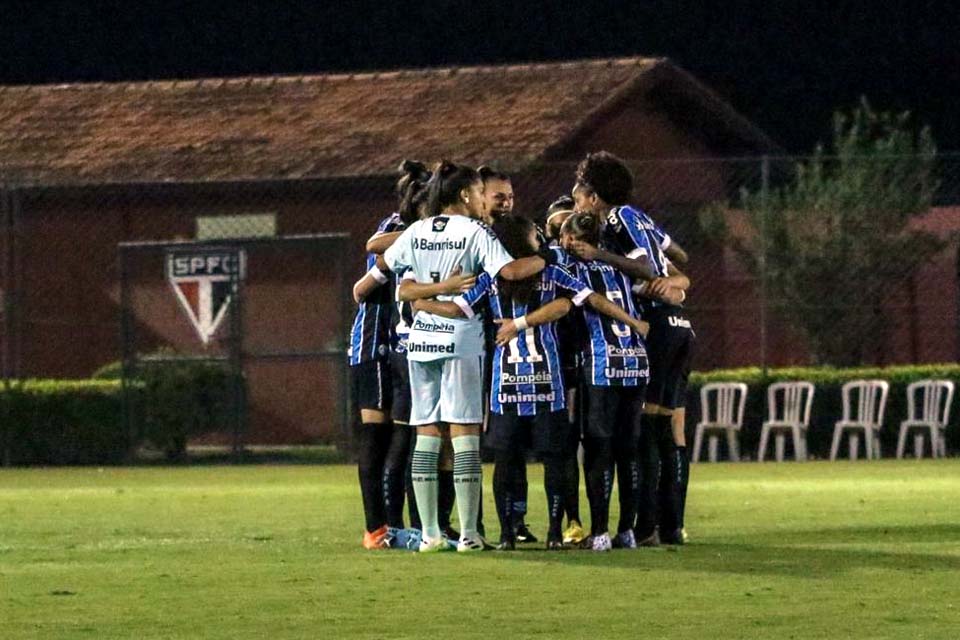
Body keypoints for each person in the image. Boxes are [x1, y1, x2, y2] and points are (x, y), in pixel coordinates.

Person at [414, 215, 647, 549]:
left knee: (508, 460)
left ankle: (508, 536)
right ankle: (553, 532)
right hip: (546, 385)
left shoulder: (490, 278)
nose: (540, 241)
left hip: (506, 386)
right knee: (553, 459)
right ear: (524, 241)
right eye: (533, 237)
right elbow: (583, 300)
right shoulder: (551, 272)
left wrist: (421, 302)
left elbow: (456, 308)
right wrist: (633, 321)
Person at [381, 160, 548, 552]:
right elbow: (507, 272)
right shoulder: (474, 231)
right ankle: (469, 534)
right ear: (464, 195)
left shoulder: (417, 230)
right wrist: (544, 259)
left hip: (420, 343)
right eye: (477, 192)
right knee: (463, 435)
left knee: (426, 433)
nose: (480, 199)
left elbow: (387, 267)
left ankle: (429, 534)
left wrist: (424, 289)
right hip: (459, 341)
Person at [569, 151, 694, 545]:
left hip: (656, 323)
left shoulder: (619, 218)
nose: (579, 204)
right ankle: (671, 526)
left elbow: (647, 269)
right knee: (665, 428)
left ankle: (648, 527)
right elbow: (679, 258)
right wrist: (677, 284)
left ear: (593, 195)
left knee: (645, 430)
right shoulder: (640, 217)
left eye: (580, 196)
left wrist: (599, 255)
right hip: (681, 325)